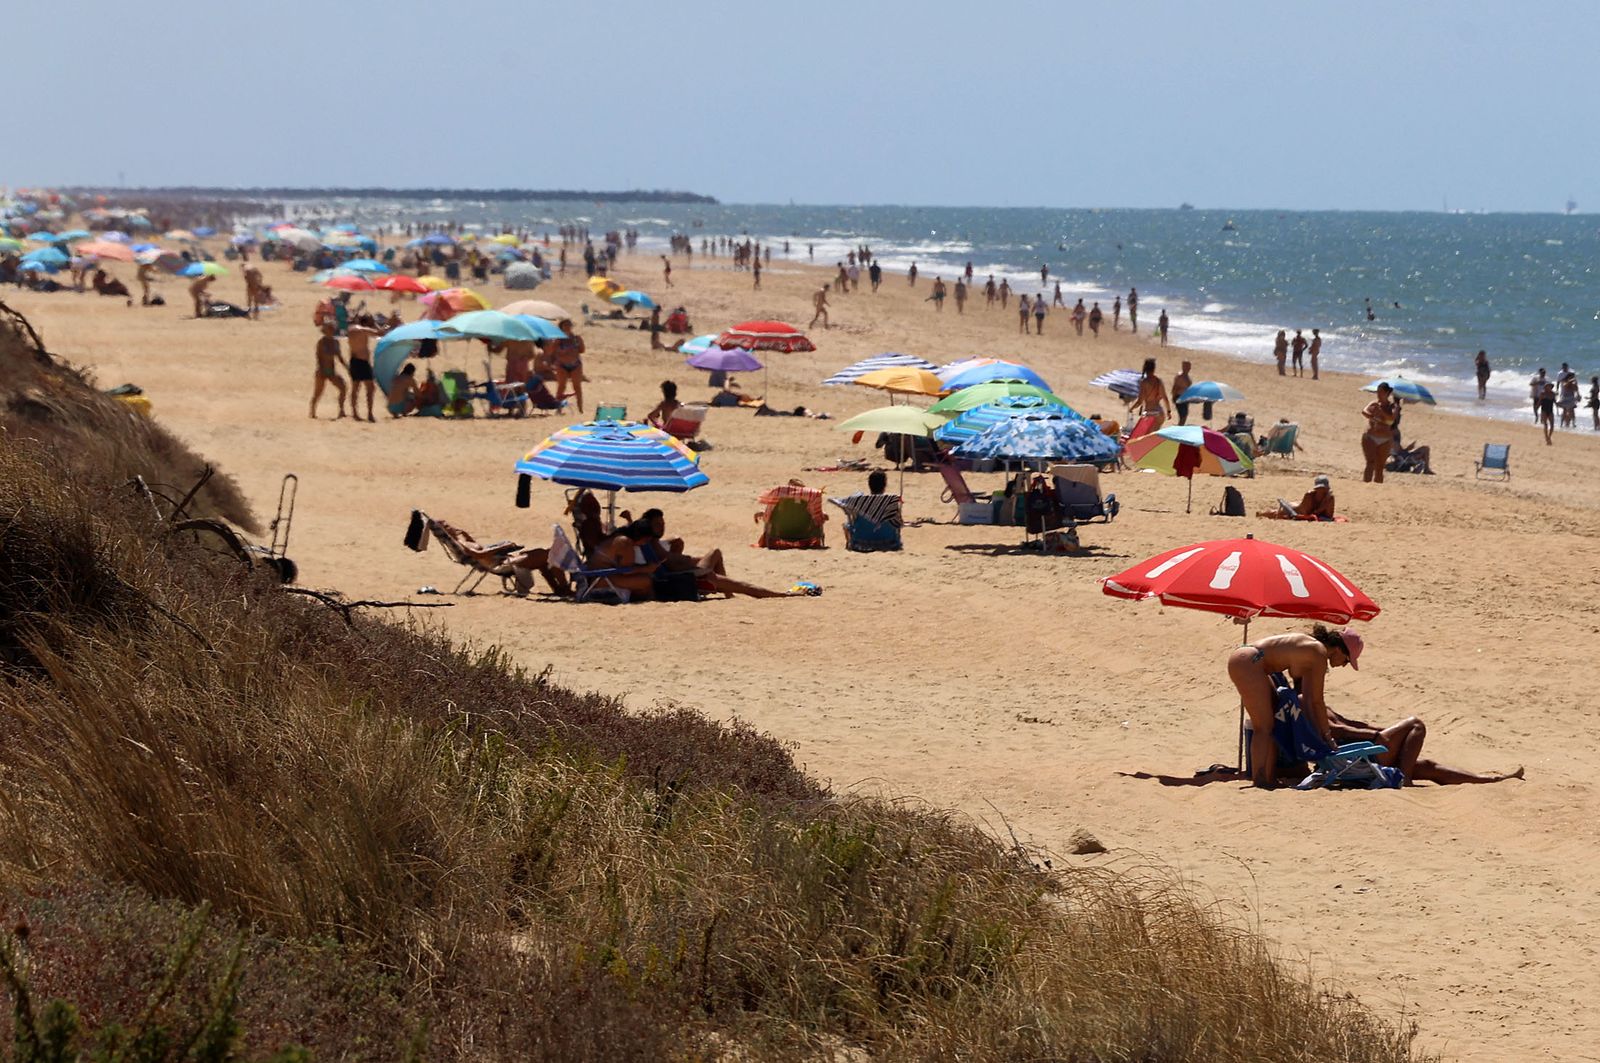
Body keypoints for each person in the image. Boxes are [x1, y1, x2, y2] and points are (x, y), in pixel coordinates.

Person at [1227, 625, 1361, 787]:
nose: (1344, 665)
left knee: (1273, 721)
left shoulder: (1313, 649)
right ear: (1339, 650)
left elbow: (1307, 697)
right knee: (1264, 726)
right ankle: (1261, 780)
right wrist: (1327, 737)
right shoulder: (1319, 653)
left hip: (1249, 658)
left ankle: (1268, 778)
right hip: (1249, 661)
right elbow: (1316, 701)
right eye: (1347, 660)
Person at [1328, 708, 1523, 785]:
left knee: (1428, 766)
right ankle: (1404, 780)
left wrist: (1381, 730)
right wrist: (1374, 735)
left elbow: (1350, 724)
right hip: (1355, 758)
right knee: (1416, 724)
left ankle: (1490, 780)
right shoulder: (1308, 703)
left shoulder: (1319, 703)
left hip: (1362, 753)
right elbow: (1337, 730)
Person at [346, 314, 381, 422]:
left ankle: (356, 413)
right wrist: (375, 324)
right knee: (369, 388)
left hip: (356, 361)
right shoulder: (361, 329)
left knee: (356, 388)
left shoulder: (352, 330)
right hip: (361, 362)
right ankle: (368, 413)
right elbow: (379, 333)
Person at [1360, 382, 1398, 481]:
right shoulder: (1374, 403)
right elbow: (1364, 411)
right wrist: (1372, 416)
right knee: (1370, 463)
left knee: (1380, 467)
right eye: (1377, 392)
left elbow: (1391, 419)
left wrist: (1381, 412)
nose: (1379, 395)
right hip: (1371, 436)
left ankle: (1377, 487)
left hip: (1385, 439)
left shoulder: (1393, 406)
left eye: (1381, 392)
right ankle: (1365, 485)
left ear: (1387, 393)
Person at [310, 322, 348, 419]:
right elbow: (321, 356)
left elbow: (340, 357)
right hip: (322, 370)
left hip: (331, 370)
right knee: (318, 392)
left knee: (343, 388)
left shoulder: (335, 342)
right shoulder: (322, 342)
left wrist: (348, 368)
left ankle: (341, 410)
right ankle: (312, 411)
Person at [1260, 474, 1337, 520]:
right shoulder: (1310, 495)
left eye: (1323, 489)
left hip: (1301, 509)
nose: (1321, 491)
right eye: (1320, 489)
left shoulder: (1329, 498)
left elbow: (1329, 516)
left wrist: (1324, 505)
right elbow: (1304, 512)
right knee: (1279, 513)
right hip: (1297, 509)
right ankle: (1261, 514)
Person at [551, 319, 587, 413]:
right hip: (562, 365)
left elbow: (582, 350)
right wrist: (561, 351)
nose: (568, 327)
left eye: (569, 325)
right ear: (561, 327)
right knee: (561, 387)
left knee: (577, 387)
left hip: (575, 365)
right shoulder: (558, 340)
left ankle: (580, 409)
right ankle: (558, 408)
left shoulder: (576, 338)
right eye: (565, 325)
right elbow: (552, 352)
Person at [1129, 358, 1171, 429]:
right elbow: (1165, 398)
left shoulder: (1144, 382)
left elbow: (1140, 401)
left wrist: (1131, 409)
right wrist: (1168, 411)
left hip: (1150, 413)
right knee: (1154, 436)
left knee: (1147, 437)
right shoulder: (1158, 381)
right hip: (1159, 412)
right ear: (1154, 369)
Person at [1171, 361, 1194, 425]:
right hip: (1179, 397)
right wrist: (1174, 397)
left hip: (1185, 399)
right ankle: (1178, 429)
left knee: (1184, 416)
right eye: (1187, 366)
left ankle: (1179, 428)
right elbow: (1175, 387)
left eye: (1189, 366)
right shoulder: (1180, 376)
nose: (1189, 368)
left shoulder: (1188, 377)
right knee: (1183, 417)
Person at [1539, 381, 1556, 445]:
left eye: (1550, 386)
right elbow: (1539, 402)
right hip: (1544, 410)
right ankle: (1546, 437)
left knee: (1552, 425)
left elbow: (1555, 402)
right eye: (1548, 386)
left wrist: (1560, 405)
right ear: (1545, 387)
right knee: (1545, 425)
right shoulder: (1542, 394)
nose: (1549, 387)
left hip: (1550, 410)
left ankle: (1549, 437)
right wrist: (1536, 409)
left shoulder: (1553, 394)